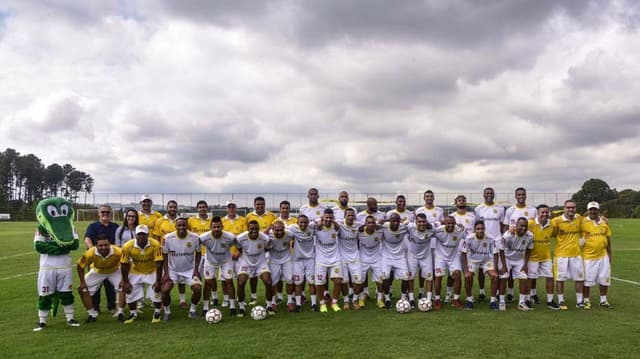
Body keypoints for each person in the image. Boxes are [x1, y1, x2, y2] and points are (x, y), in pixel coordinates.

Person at [33, 197, 81, 331]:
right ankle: (42, 321)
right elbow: (38, 246)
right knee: (44, 295)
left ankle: (70, 318)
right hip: (47, 268)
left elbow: (75, 244)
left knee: (67, 294)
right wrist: (61, 247)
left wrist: (56, 246)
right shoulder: (41, 228)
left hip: (65, 267)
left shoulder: (70, 227)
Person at [120, 225, 163, 324]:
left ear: (148, 235)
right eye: (139, 234)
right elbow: (123, 264)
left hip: (152, 270)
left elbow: (159, 263)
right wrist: (125, 281)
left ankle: (157, 313)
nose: (141, 237)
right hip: (136, 271)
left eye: (144, 234)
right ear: (135, 235)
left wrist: (158, 280)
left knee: (157, 290)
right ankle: (133, 313)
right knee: (129, 290)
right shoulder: (127, 246)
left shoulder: (155, 244)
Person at [161, 217, 202, 320]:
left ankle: (192, 311)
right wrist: (166, 273)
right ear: (175, 227)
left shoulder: (195, 237)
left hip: (189, 270)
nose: (181, 227)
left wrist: (196, 270)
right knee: (165, 290)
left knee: (197, 288)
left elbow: (198, 253)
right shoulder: (168, 238)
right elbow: (164, 255)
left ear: (187, 226)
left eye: (184, 225)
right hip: (173, 270)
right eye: (179, 225)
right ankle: (167, 312)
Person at [76, 234, 124, 322]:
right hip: (97, 271)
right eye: (100, 245)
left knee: (124, 287)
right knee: (82, 289)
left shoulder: (118, 251)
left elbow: (126, 263)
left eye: (106, 245)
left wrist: (124, 280)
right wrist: (82, 282)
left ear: (110, 244)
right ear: (96, 245)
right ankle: (92, 314)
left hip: (114, 270)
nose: (103, 247)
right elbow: (80, 266)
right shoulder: (90, 252)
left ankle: (120, 313)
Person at [503, 187, 537, 302]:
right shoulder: (510, 210)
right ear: (516, 196)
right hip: (511, 243)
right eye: (519, 195)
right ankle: (510, 293)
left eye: (523, 194)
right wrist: (507, 239)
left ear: (526, 195)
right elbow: (505, 226)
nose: (521, 197)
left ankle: (528, 297)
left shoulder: (533, 210)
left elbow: (535, 227)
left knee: (527, 273)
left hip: (525, 244)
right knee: (509, 273)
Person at [83, 204, 119, 316]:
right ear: (99, 213)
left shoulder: (115, 226)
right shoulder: (93, 226)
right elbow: (87, 238)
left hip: (111, 260)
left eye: (107, 212)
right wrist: (93, 251)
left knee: (110, 285)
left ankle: (111, 306)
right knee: (95, 285)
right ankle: (95, 307)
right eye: (103, 212)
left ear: (110, 213)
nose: (105, 214)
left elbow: (118, 241)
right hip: (96, 259)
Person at [550, 200, 585, 310]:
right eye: (568, 207)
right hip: (561, 255)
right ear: (564, 208)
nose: (571, 209)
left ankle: (579, 301)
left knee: (579, 279)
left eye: (573, 207)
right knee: (560, 279)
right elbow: (551, 233)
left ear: (575, 209)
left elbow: (589, 219)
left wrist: (602, 218)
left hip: (576, 254)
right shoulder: (556, 221)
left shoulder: (578, 218)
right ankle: (561, 300)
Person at [199, 216, 238, 315]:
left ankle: (232, 307)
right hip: (210, 261)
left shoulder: (230, 237)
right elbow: (196, 246)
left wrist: (238, 253)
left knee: (229, 281)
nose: (216, 229)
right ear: (210, 227)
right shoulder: (203, 237)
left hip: (226, 261)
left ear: (222, 226)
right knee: (208, 282)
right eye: (214, 227)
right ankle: (205, 307)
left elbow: (238, 245)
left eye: (218, 227)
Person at [154, 200, 189, 308]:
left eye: (174, 207)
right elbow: (156, 237)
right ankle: (162, 300)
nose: (172, 209)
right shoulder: (160, 221)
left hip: (179, 252)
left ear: (177, 208)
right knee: (164, 277)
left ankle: (182, 300)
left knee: (181, 278)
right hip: (164, 253)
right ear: (167, 208)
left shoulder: (181, 221)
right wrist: (158, 252)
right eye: (170, 207)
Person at [236, 220, 274, 316]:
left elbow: (267, 248)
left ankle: (269, 305)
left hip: (261, 263)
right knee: (241, 282)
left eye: (256, 228)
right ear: (248, 228)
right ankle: (241, 307)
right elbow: (239, 248)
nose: (254, 231)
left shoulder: (264, 238)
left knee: (268, 282)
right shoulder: (240, 238)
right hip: (246, 264)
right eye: (252, 229)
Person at [473, 187, 505, 302]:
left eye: (491, 193)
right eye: (487, 193)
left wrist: (501, 237)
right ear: (483, 195)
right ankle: (482, 292)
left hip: (496, 241)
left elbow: (502, 225)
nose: (489, 195)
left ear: (494, 194)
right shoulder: (478, 209)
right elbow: (476, 226)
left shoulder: (500, 208)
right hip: (482, 242)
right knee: (481, 269)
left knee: (496, 267)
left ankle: (496, 293)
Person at [580, 201, 613, 309]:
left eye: (594, 209)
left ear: (598, 210)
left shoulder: (604, 222)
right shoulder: (583, 222)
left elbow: (608, 238)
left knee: (604, 278)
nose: (592, 211)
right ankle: (586, 300)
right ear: (588, 210)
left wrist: (609, 254)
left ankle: (603, 300)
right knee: (587, 280)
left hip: (603, 255)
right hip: (588, 257)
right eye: (591, 209)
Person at [460, 220, 499, 310]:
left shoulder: (490, 238)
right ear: (474, 229)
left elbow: (495, 254)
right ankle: (469, 300)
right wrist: (466, 271)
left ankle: (493, 301)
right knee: (468, 277)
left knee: (494, 276)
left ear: (484, 229)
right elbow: (463, 254)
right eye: (478, 229)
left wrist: (495, 269)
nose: (480, 231)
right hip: (473, 260)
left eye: (482, 229)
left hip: (486, 260)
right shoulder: (469, 238)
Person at [246, 196, 277, 305]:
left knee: (270, 276)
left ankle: (273, 299)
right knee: (253, 276)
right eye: (257, 204)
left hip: (267, 251)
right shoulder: (249, 216)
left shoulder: (272, 216)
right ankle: (253, 297)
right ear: (254, 205)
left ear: (265, 205)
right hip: (253, 251)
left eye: (261, 204)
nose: (259, 206)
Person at [527, 204, 559, 309]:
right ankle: (528, 298)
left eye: (546, 212)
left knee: (550, 277)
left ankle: (550, 300)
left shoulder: (552, 225)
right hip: (532, 256)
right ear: (538, 213)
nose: (544, 214)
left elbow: (555, 233)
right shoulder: (530, 223)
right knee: (530, 278)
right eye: (542, 212)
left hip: (546, 256)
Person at [500, 217, 534, 311]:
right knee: (504, 277)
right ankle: (502, 301)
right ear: (516, 225)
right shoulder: (508, 235)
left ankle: (521, 303)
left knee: (524, 277)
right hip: (507, 258)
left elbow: (528, 250)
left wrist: (525, 264)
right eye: (521, 226)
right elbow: (501, 250)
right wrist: (503, 265)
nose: (523, 228)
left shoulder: (530, 235)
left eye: (525, 226)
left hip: (519, 259)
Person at [433, 216, 465, 310]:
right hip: (440, 257)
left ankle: (455, 300)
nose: (450, 225)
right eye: (448, 223)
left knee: (457, 274)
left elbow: (469, 237)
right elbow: (428, 232)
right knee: (438, 277)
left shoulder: (459, 230)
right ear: (444, 223)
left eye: (452, 223)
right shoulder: (438, 230)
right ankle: (437, 300)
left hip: (453, 257)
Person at [314, 209, 343, 312]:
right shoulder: (317, 227)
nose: (328, 219)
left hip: (335, 258)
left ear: (333, 218)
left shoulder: (336, 227)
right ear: (323, 217)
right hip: (321, 260)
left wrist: (335, 223)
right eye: (326, 217)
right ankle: (322, 303)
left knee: (338, 281)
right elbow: (305, 225)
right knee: (320, 283)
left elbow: (340, 226)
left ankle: (334, 303)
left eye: (330, 217)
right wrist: (317, 223)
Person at [380, 213, 410, 309]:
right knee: (385, 278)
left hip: (400, 257)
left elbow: (413, 227)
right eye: (393, 221)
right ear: (389, 221)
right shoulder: (384, 226)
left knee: (406, 277)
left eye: (397, 221)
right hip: (386, 256)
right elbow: (374, 226)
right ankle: (387, 298)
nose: (395, 223)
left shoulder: (403, 227)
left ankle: (403, 298)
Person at [336, 208, 364, 310]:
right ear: (345, 216)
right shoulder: (339, 225)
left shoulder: (358, 225)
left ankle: (355, 300)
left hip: (355, 257)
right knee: (344, 281)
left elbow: (370, 224)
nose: (351, 217)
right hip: (342, 257)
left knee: (358, 280)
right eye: (349, 215)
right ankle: (346, 301)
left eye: (353, 215)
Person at [221, 200, 247, 307]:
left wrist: (238, 251)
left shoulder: (243, 220)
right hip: (226, 255)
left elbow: (245, 238)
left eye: (233, 207)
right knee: (225, 278)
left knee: (241, 278)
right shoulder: (222, 221)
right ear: (226, 208)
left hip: (240, 255)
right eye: (229, 207)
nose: (231, 209)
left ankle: (240, 298)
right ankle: (226, 298)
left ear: (236, 208)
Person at [406, 213, 435, 308]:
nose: (422, 224)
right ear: (415, 222)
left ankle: (429, 299)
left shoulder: (431, 229)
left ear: (426, 222)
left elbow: (439, 225)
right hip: (412, 255)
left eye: (424, 221)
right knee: (410, 277)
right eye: (419, 222)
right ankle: (411, 299)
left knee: (429, 277)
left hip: (426, 255)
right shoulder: (410, 227)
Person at [289, 215, 317, 312]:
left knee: (312, 282)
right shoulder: (292, 228)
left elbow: (320, 221)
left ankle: (313, 304)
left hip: (310, 259)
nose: (303, 224)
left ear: (308, 223)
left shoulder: (312, 227)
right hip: (297, 260)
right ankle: (298, 304)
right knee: (298, 282)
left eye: (305, 222)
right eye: (301, 222)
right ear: (297, 222)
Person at [267, 221, 295, 312]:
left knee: (290, 280)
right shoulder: (268, 235)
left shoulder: (289, 234)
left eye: (281, 230)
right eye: (277, 230)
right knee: (273, 282)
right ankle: (273, 302)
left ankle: (290, 302)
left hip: (287, 259)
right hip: (273, 260)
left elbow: (296, 238)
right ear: (273, 229)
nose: (279, 232)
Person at [187, 201, 212, 304]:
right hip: (196, 254)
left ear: (207, 208)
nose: (202, 209)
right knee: (196, 277)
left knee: (208, 278)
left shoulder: (211, 220)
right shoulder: (191, 220)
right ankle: (196, 297)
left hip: (209, 253)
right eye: (200, 207)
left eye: (204, 207)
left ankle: (209, 298)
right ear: (197, 209)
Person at [358, 215, 385, 308]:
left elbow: (386, 224)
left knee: (380, 281)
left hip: (376, 259)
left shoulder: (380, 232)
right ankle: (361, 299)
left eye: (372, 222)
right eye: (368, 222)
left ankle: (380, 300)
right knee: (360, 281)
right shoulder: (360, 233)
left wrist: (380, 225)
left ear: (375, 223)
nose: (371, 224)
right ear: (365, 223)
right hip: (363, 260)